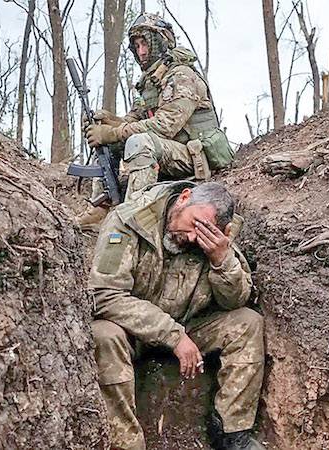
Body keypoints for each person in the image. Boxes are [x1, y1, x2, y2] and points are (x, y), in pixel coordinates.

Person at [89, 181, 265, 450]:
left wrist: (221, 259)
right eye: (195, 223)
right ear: (184, 198)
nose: (194, 237)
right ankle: (125, 443)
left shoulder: (215, 238)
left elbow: (236, 301)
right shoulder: (129, 220)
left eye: (205, 232)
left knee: (248, 322)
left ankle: (232, 434)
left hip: (189, 325)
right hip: (133, 332)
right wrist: (173, 335)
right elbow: (104, 294)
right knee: (103, 334)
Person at [77, 13, 234, 231]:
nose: (141, 52)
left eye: (145, 44)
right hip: (168, 151)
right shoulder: (150, 82)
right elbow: (135, 119)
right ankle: (100, 207)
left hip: (195, 157)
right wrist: (109, 122)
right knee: (113, 142)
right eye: (137, 46)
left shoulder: (181, 75)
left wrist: (113, 132)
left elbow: (165, 126)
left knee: (140, 142)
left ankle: (134, 216)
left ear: (161, 42)